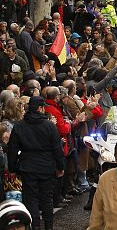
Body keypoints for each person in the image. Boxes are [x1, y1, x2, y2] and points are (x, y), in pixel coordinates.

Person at [7, 96, 64, 230]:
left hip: (27, 167)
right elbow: (57, 148)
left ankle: (35, 226)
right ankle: (49, 227)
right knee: (47, 200)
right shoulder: (49, 125)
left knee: (31, 200)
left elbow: (12, 149)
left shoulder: (19, 126)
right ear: (40, 108)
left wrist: (12, 169)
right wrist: (60, 166)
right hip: (46, 166)